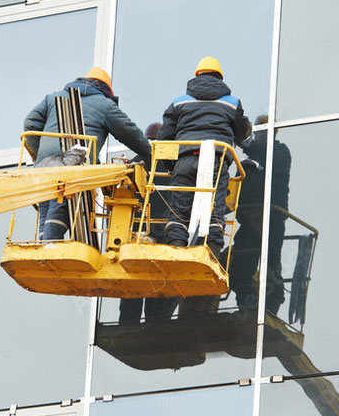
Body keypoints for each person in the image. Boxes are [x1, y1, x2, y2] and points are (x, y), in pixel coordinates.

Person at [24, 67, 151, 240]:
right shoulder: (104, 104)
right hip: (75, 164)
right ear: (106, 89)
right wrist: (149, 152)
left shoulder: (54, 97)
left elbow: (30, 123)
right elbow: (129, 133)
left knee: (46, 202)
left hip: (45, 164)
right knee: (62, 204)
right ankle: (49, 245)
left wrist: (42, 154)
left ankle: (42, 245)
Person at [158, 56, 251, 259]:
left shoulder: (179, 102)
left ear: (197, 76)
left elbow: (164, 137)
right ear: (220, 77)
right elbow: (243, 131)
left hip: (184, 158)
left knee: (179, 209)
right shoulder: (232, 103)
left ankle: (176, 251)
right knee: (214, 206)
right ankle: (213, 254)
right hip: (215, 160)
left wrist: (171, 166)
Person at [229, 115, 292, 314]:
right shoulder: (249, 163)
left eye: (266, 129)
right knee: (239, 265)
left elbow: (267, 154)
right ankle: (247, 306)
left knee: (271, 265)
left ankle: (270, 308)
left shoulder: (280, 153)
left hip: (271, 219)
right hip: (248, 220)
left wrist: (243, 141)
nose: (262, 133)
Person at [119, 122, 179, 324]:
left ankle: (128, 325)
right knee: (158, 284)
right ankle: (156, 325)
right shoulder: (173, 163)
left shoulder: (136, 163)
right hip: (164, 233)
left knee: (134, 282)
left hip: (138, 232)